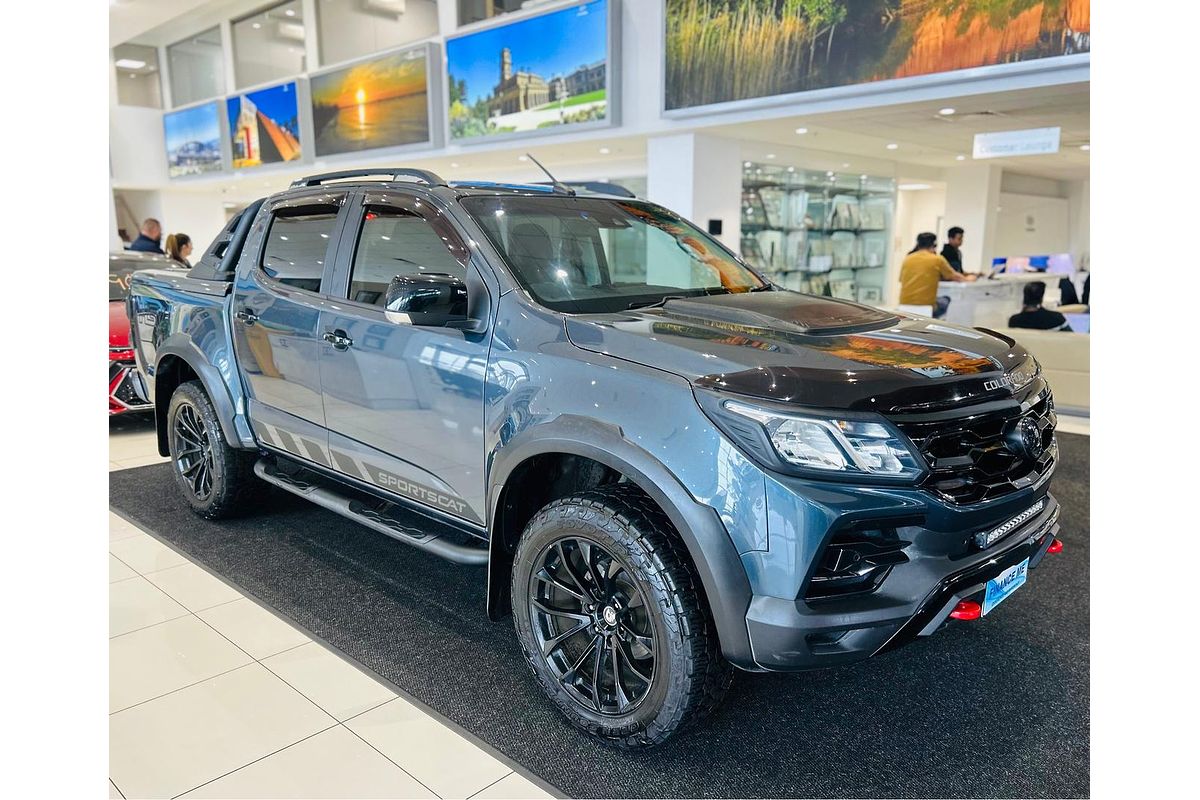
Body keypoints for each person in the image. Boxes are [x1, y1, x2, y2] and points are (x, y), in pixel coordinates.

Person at [899, 232, 974, 318]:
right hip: (926, 307)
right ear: (934, 245)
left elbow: (902, 279)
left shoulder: (907, 259)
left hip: (904, 305)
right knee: (946, 299)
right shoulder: (937, 259)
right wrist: (970, 278)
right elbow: (956, 277)